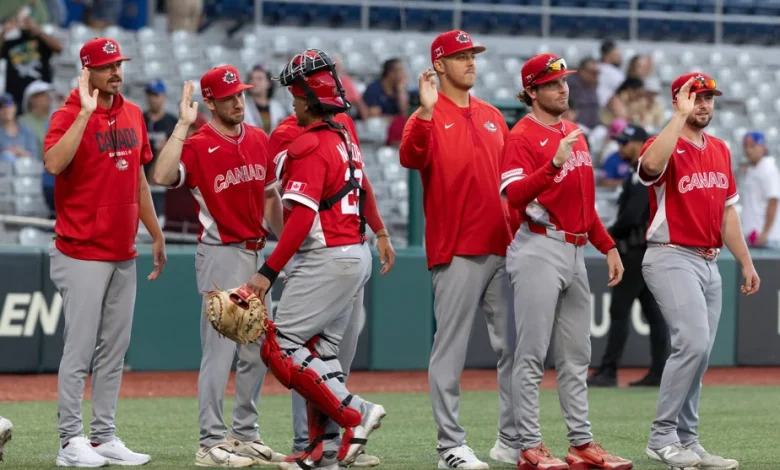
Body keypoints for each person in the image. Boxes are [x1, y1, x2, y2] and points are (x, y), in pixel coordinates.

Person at [246, 49, 387, 470]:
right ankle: (320, 449)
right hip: (351, 250)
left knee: (280, 345)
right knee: (322, 355)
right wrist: (377, 232)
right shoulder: (340, 132)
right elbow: (358, 189)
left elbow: (302, 214)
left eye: (294, 97)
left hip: (326, 254)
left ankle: (354, 412)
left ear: (309, 99)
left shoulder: (306, 143)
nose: (292, 103)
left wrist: (269, 270)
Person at [499, 52, 632, 470]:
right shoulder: (520, 135)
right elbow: (513, 196)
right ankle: (528, 447)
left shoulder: (575, 131)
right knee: (532, 354)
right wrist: (553, 164)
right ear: (532, 91)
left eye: (563, 81)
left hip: (575, 248)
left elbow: (585, 203)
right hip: (538, 246)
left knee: (577, 355)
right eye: (553, 83)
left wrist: (607, 245)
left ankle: (580, 444)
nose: (563, 88)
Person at [150, 64, 286, 467]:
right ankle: (210, 442)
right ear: (209, 102)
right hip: (221, 252)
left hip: (257, 254)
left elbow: (271, 199)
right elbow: (160, 175)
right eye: (229, 96)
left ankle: (244, 434)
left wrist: (289, 245)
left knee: (259, 349)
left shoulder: (259, 138)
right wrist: (182, 124)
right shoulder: (197, 143)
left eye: (241, 93)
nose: (238, 100)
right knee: (221, 350)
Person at [400, 30, 519, 470]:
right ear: (439, 65)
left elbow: (511, 183)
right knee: (449, 350)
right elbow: (410, 159)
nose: (470, 61)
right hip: (455, 249)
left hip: (502, 245)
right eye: (460, 55)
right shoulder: (425, 117)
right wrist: (427, 112)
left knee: (514, 347)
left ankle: (511, 438)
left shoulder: (492, 115)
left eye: (472, 55)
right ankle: (449, 445)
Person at [43, 37, 165, 467]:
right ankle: (69, 441)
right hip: (80, 251)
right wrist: (85, 113)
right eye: (107, 66)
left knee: (114, 351)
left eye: (119, 64)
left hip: (122, 250)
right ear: (87, 72)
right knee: (79, 350)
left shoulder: (133, 113)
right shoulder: (66, 114)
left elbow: (139, 180)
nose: (116, 72)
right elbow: (54, 164)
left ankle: (104, 436)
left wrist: (156, 233)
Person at [638, 73, 759, 470]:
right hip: (670, 254)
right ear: (679, 101)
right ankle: (661, 438)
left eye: (708, 98)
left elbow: (728, 214)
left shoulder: (721, 149)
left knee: (701, 352)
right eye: (696, 97)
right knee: (691, 342)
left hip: (709, 261)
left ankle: (687, 440)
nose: (704, 104)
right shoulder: (665, 143)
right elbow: (649, 167)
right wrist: (678, 117)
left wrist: (745, 261)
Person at [587, 124, 669, 388]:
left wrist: (609, 233)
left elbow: (633, 215)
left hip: (635, 250)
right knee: (654, 314)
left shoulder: (643, 173)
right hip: (642, 250)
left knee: (620, 310)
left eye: (625, 143)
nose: (621, 147)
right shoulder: (636, 173)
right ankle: (659, 371)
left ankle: (610, 371)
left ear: (639, 144)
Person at [740, 130, 780, 249]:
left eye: (753, 146)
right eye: (746, 146)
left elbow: (773, 202)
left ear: (763, 147)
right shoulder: (753, 169)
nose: (748, 150)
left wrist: (765, 233)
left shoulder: (768, 169)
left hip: (766, 239)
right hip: (752, 235)